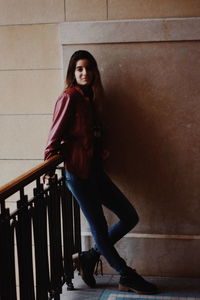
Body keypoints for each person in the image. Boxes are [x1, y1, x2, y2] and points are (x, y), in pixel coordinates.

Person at [44, 50, 157, 294]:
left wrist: (100, 148)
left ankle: (89, 257)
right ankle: (126, 275)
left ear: (94, 71)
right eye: (79, 69)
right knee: (98, 226)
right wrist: (49, 165)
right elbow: (54, 136)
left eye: (88, 68)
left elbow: (89, 132)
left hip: (95, 171)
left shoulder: (89, 98)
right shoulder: (69, 98)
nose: (85, 73)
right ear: (72, 74)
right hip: (78, 173)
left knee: (129, 216)